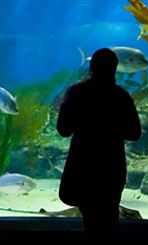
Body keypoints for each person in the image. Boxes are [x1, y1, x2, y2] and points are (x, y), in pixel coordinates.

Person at [57, 47, 142, 235]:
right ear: (115, 69)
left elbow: (63, 130)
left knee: (90, 220)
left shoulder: (75, 92)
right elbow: (134, 133)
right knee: (108, 219)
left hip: (82, 166)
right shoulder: (122, 96)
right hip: (111, 168)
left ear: (91, 68)